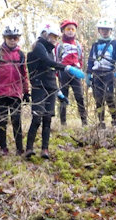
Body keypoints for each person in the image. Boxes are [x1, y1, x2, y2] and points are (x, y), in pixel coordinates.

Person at [26, 22, 84, 159]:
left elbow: (51, 75)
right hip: (39, 88)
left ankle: (44, 149)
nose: (54, 39)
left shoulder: (51, 51)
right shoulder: (38, 47)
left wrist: (59, 93)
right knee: (36, 118)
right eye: (52, 36)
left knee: (47, 119)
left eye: (56, 37)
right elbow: (47, 62)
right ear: (45, 35)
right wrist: (67, 68)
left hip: (51, 89)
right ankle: (29, 148)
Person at [0, 25, 30, 156]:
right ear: (5, 38)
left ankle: (19, 148)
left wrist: (26, 92)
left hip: (16, 93)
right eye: (10, 38)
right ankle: (3, 148)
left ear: (18, 39)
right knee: (2, 121)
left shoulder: (21, 55)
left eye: (15, 38)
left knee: (16, 120)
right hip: (1, 92)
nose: (12, 40)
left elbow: (24, 75)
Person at [87, 18, 116, 128]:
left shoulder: (115, 43)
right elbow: (90, 60)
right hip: (97, 74)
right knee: (98, 98)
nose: (104, 32)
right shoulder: (95, 45)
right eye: (102, 29)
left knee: (109, 97)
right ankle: (101, 121)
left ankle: (114, 119)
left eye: (107, 30)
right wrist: (88, 74)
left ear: (111, 31)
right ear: (99, 30)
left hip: (109, 73)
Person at [56, 19, 88, 126]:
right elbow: (56, 60)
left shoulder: (78, 45)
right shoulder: (59, 45)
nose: (70, 31)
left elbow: (81, 59)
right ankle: (63, 122)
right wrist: (58, 73)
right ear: (63, 31)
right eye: (68, 29)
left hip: (76, 72)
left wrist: (79, 70)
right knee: (63, 97)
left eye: (73, 29)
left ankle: (84, 121)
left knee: (79, 96)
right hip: (63, 72)